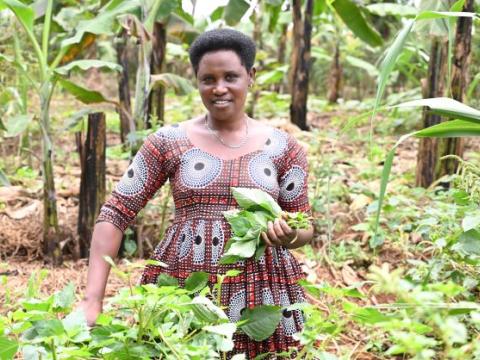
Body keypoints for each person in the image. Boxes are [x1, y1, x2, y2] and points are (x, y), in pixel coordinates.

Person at [80, 28, 314, 358]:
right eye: (208, 79)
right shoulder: (169, 141)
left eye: (230, 77)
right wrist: (93, 299)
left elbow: (306, 225)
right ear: (197, 81)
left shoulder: (283, 148)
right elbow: (116, 212)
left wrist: (288, 233)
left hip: (261, 297)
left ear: (251, 76)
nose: (219, 88)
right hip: (184, 288)